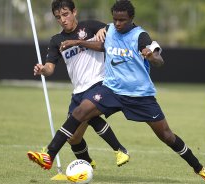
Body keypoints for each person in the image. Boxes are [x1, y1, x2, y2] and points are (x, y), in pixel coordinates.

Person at [29, 0, 205, 183]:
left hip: (140, 95)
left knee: (167, 136)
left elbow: (159, 60)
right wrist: (79, 43)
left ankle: (201, 170)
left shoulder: (140, 35)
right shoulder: (110, 30)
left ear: (131, 19)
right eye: (114, 19)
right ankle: (49, 155)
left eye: (122, 20)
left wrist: (150, 55)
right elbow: (101, 46)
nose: (118, 23)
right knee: (80, 111)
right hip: (112, 89)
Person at [27, 0, 130, 170]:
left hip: (99, 83)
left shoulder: (89, 26)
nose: (63, 19)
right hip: (78, 91)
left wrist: (106, 29)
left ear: (74, 12)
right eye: (58, 17)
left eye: (65, 14)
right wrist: (42, 69)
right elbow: (50, 69)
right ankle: (89, 163)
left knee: (84, 113)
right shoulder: (56, 40)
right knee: (73, 137)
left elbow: (115, 30)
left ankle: (49, 154)